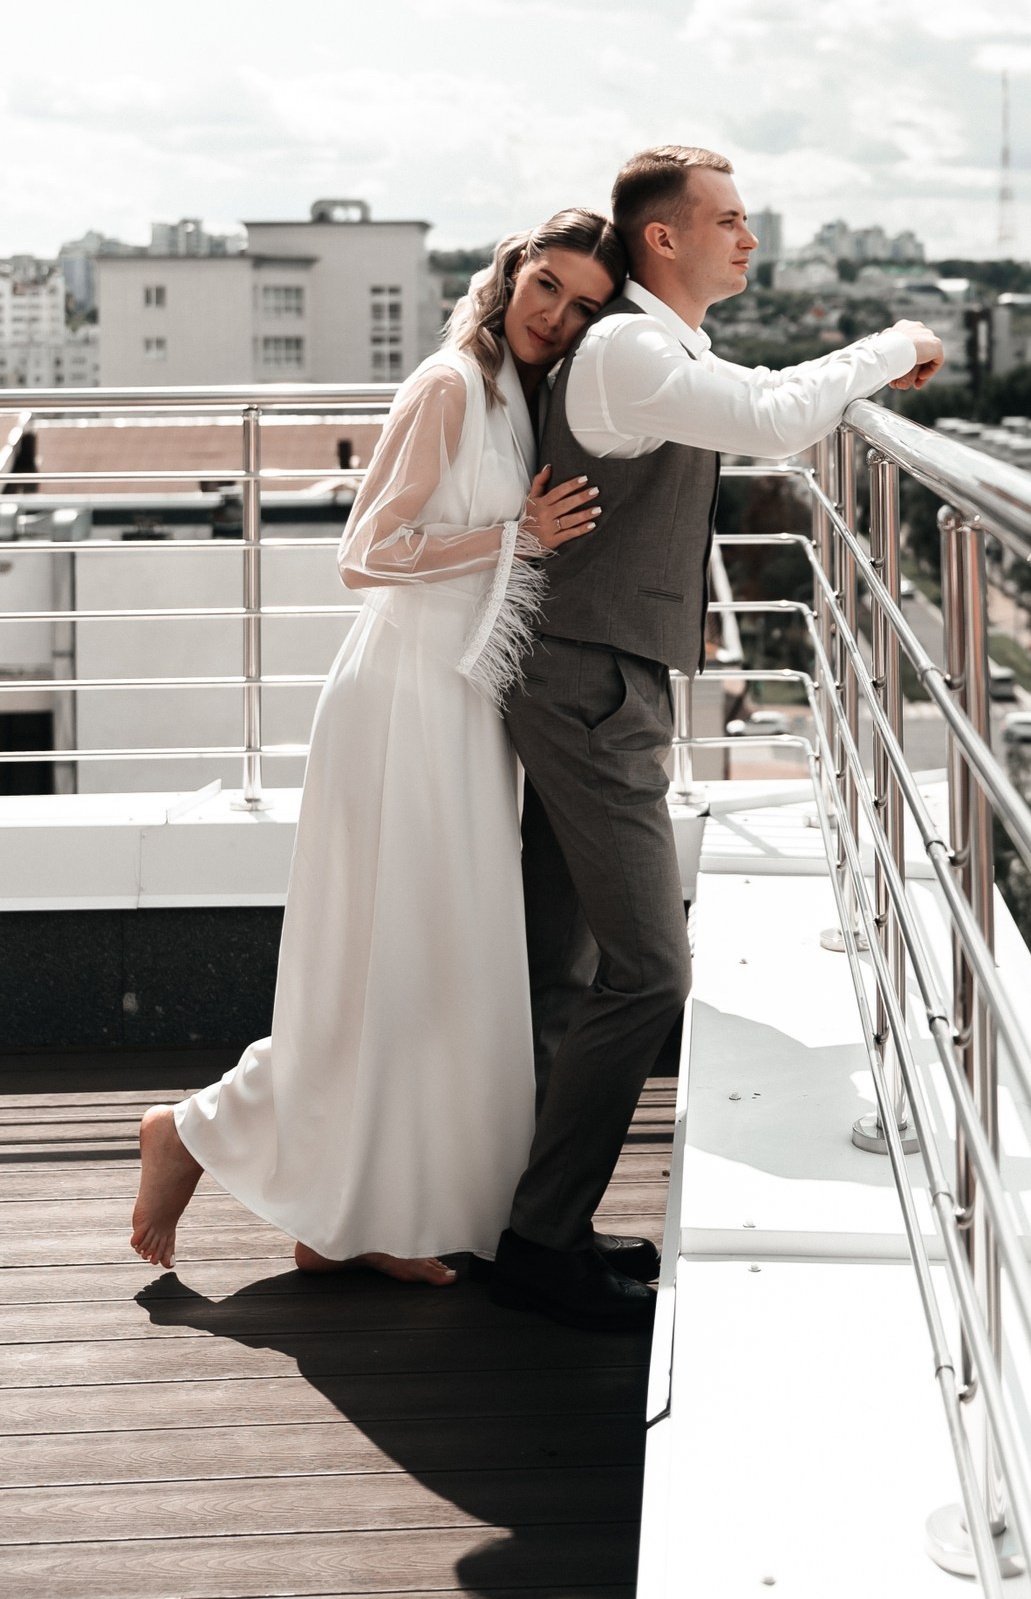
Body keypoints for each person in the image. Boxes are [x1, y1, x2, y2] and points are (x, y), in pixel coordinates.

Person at [490, 146, 944, 1332]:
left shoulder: (664, 349)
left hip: (593, 672)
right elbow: (776, 418)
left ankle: (535, 1215)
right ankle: (539, 1237)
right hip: (590, 685)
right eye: (730, 220)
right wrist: (895, 342)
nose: (749, 238)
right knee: (649, 970)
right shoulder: (630, 351)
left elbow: (764, 396)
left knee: (564, 963)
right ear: (664, 237)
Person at [129, 209, 627, 1281]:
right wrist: (514, 537)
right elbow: (364, 553)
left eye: (584, 306)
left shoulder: (521, 398)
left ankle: (347, 1220)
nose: (556, 315)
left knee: (427, 967)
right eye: (547, 285)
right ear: (512, 272)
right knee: (389, 966)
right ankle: (196, 1132)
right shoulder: (450, 384)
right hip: (400, 703)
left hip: (463, 706)